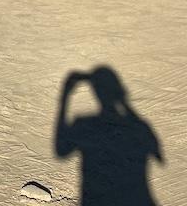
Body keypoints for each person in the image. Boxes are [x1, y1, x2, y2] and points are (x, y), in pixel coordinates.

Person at [54, 66, 162, 205]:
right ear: (119, 92)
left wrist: (65, 97)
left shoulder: (84, 125)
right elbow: (158, 157)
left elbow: (61, 151)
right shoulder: (141, 128)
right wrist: (124, 103)